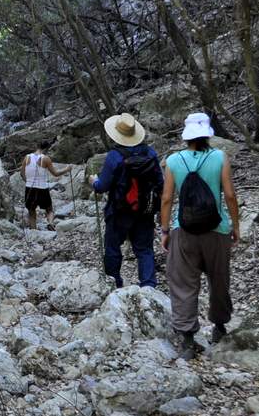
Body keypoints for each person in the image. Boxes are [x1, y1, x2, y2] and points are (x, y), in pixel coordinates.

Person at [159, 112, 241, 360]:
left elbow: (166, 199)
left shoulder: (173, 161)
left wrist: (164, 231)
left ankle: (187, 339)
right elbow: (229, 195)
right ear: (207, 134)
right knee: (219, 279)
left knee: (183, 282)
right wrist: (235, 225)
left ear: (186, 136)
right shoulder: (219, 157)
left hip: (183, 230)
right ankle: (219, 326)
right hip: (216, 230)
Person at [90, 113, 164, 288]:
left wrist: (94, 182)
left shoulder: (114, 156)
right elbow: (160, 183)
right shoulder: (150, 153)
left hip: (119, 210)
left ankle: (114, 283)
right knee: (144, 249)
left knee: (113, 247)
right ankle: (148, 286)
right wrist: (159, 209)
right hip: (145, 210)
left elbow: (103, 186)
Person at [19, 147, 71, 230]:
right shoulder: (46, 158)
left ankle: (34, 231)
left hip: (29, 188)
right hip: (42, 188)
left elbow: (22, 173)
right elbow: (55, 173)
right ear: (46, 149)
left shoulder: (27, 157)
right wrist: (67, 169)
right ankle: (50, 223)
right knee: (49, 210)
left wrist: (28, 182)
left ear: (36, 147)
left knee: (31, 211)